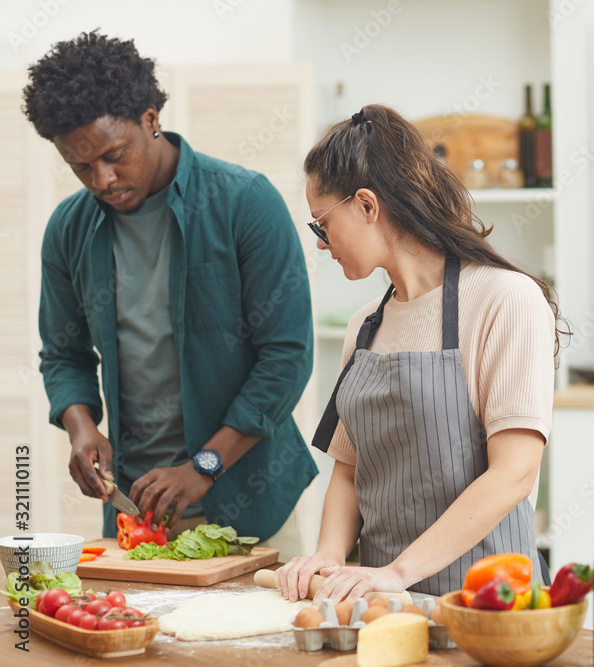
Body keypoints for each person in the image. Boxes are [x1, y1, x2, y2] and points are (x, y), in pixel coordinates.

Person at [26, 31, 317, 557]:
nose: (103, 179)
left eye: (115, 155)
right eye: (80, 165)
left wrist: (203, 467)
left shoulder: (245, 202)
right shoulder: (67, 230)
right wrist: (80, 427)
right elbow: (63, 354)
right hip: (137, 515)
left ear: (151, 118)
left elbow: (288, 358)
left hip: (251, 510)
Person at [275, 104, 563, 604]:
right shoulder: (366, 326)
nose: (322, 244)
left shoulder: (504, 299)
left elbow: (514, 472)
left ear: (367, 205)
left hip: (487, 607)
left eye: (323, 224)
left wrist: (398, 570)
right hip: (386, 605)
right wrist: (328, 555)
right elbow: (349, 469)